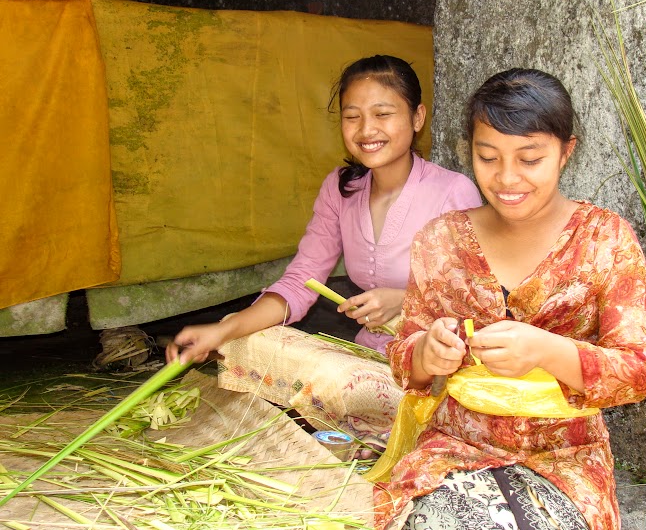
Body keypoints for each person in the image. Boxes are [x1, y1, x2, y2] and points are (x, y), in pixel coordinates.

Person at [375, 68, 646, 530]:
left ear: (567, 151)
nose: (507, 178)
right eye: (488, 157)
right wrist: (426, 351)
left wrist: (548, 351)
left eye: (530, 159)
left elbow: (637, 373)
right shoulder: (440, 241)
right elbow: (405, 358)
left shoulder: (605, 240)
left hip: (567, 457)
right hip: (455, 447)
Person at [165, 54, 481, 364]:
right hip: (369, 358)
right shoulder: (340, 188)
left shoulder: (452, 192)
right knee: (248, 336)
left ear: (417, 117)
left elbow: (477, 305)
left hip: (438, 365)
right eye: (352, 116)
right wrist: (221, 331)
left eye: (382, 114)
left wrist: (406, 302)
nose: (366, 130)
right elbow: (301, 280)